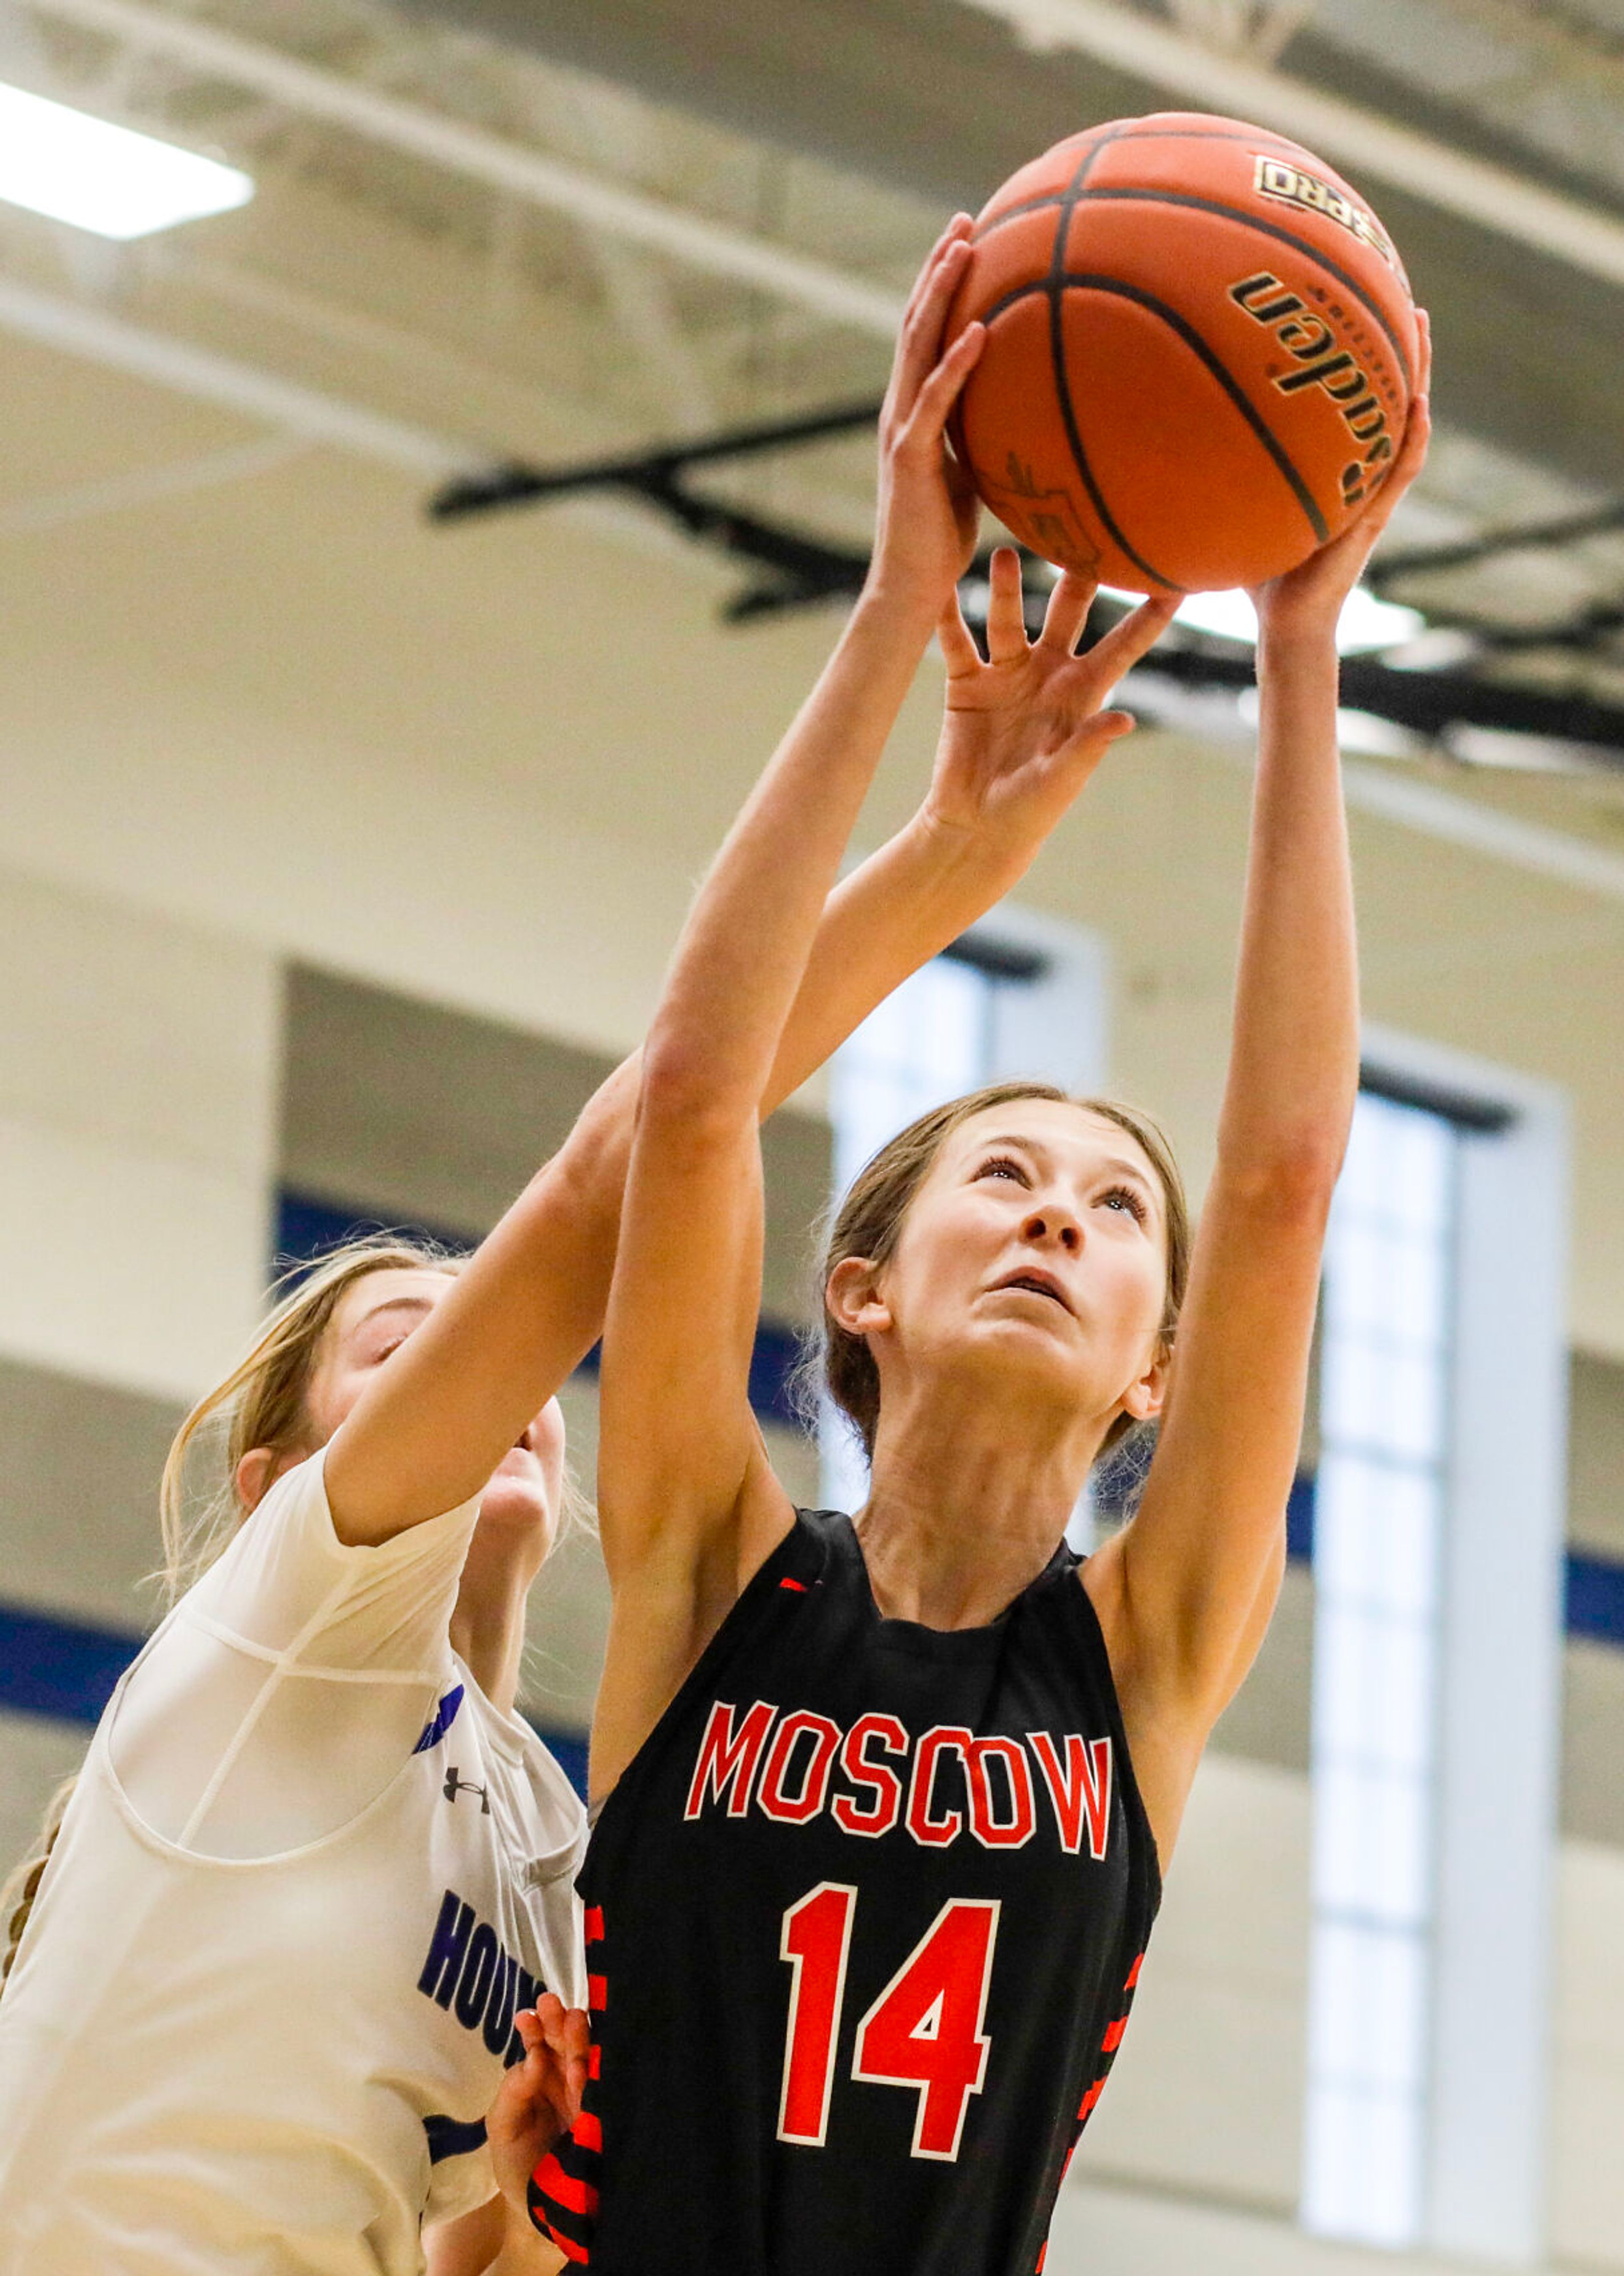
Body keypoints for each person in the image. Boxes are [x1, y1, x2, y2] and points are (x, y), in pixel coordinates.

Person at [0, 221, 1151, 2276]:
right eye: (401, 1342)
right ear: (281, 1491)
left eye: (481, 1337)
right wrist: (949, 816)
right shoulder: (300, 1631)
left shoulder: (555, 1838)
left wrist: (532, 2209)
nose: (489, 1360)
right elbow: (641, 1151)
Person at [496, 229, 1432, 2274]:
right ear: (865, 1283)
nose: (1060, 1217)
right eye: (1002, 1175)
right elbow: (695, 1096)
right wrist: (893, 612)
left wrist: (1299, 653)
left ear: (1153, 1369)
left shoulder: (1147, 1652)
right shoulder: (709, 1559)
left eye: (1111, 1215)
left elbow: (1278, 1186)